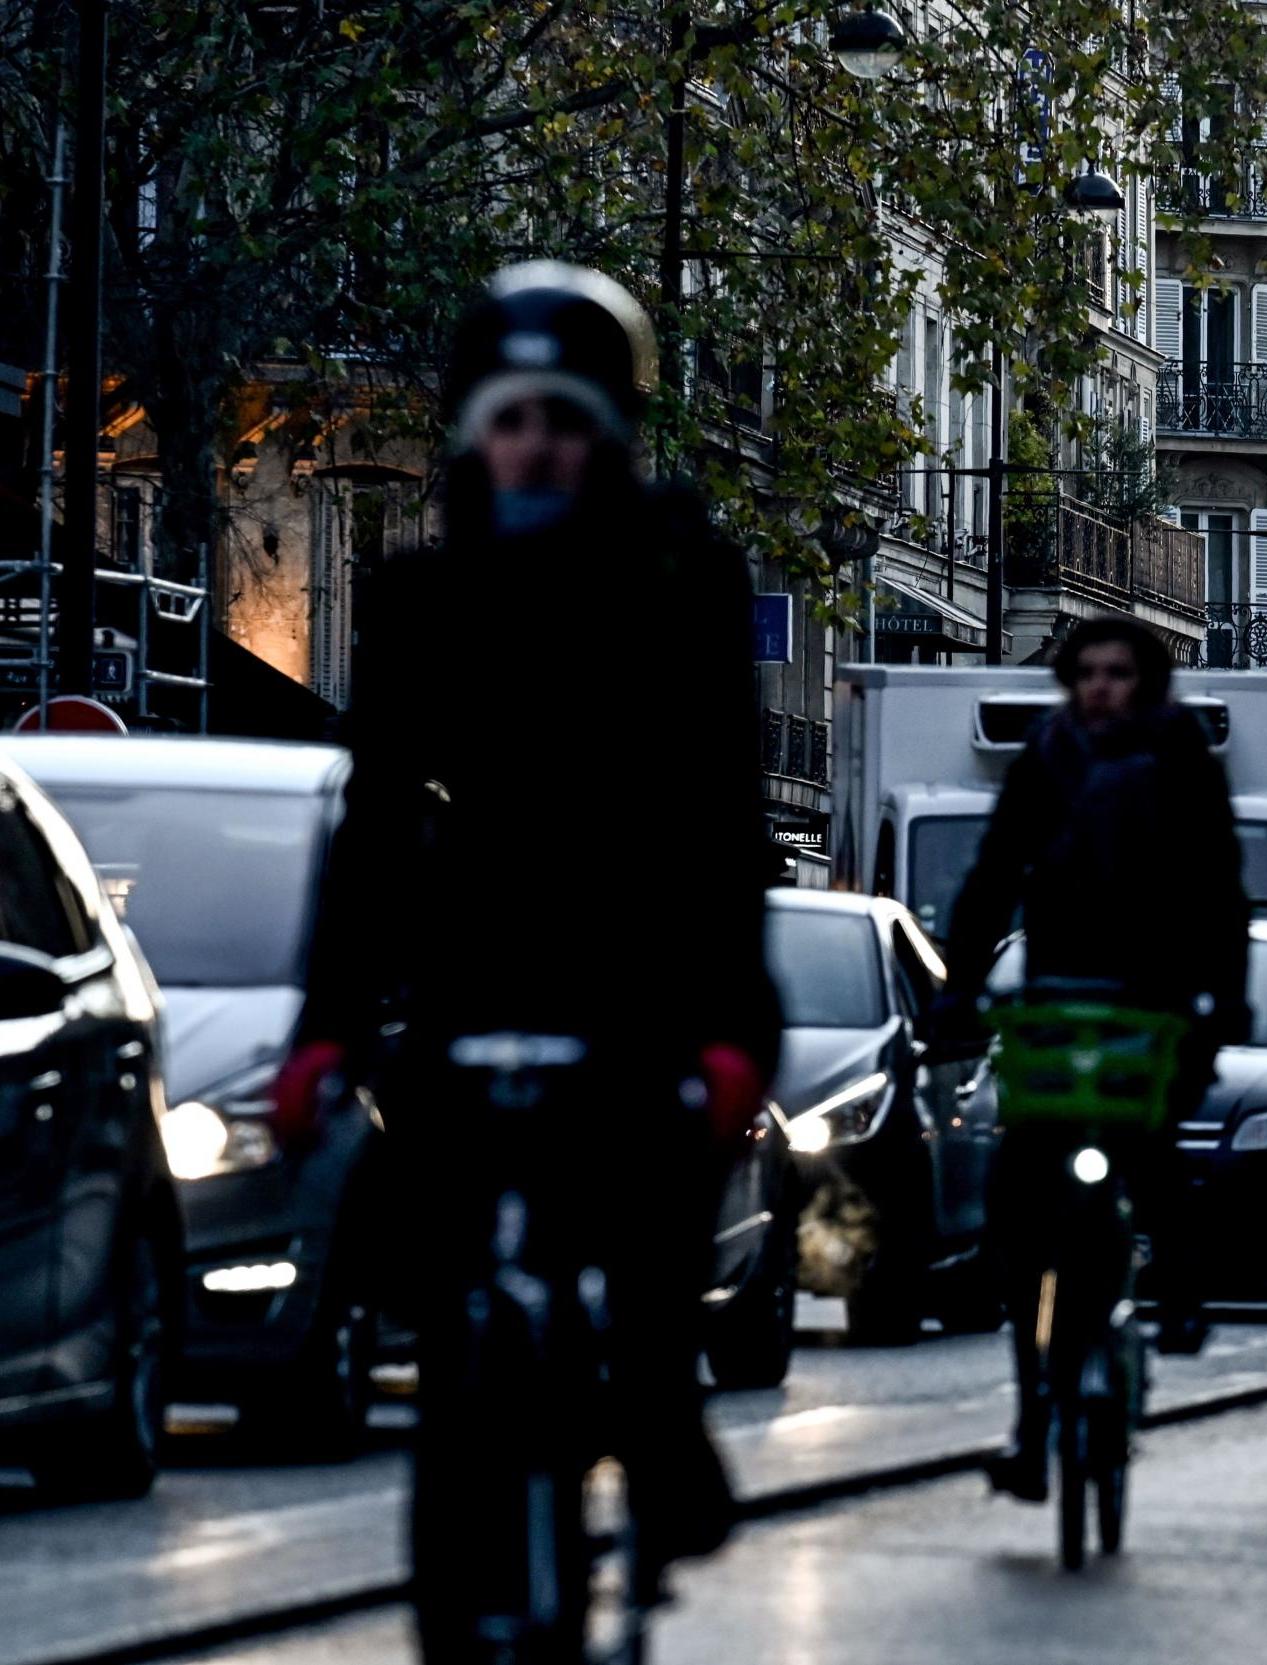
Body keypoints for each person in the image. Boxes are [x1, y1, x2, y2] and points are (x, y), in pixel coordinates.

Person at [275, 264, 784, 1639]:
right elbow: (375, 826)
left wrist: (733, 1026)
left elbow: (722, 825)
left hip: (640, 973)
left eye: (564, 420)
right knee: (445, 1296)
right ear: (470, 437)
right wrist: (325, 1030)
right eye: (512, 420)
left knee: (649, 1218)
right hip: (476, 980)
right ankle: (459, 1575)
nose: (536, 446)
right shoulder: (426, 597)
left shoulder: (679, 572)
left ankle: (663, 1426)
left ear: (606, 434)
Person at [938, 616, 1250, 1500]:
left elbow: (1218, 885)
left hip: (1154, 993)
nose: (1101, 687)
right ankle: (1032, 1419)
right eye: (1087, 672)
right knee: (1020, 1200)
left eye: (1119, 672)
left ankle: (1183, 1288)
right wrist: (960, 986)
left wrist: (1219, 999)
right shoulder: (1048, 755)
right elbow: (994, 873)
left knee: (1153, 1152)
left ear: (1145, 683)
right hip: (1059, 992)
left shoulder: (1181, 757)